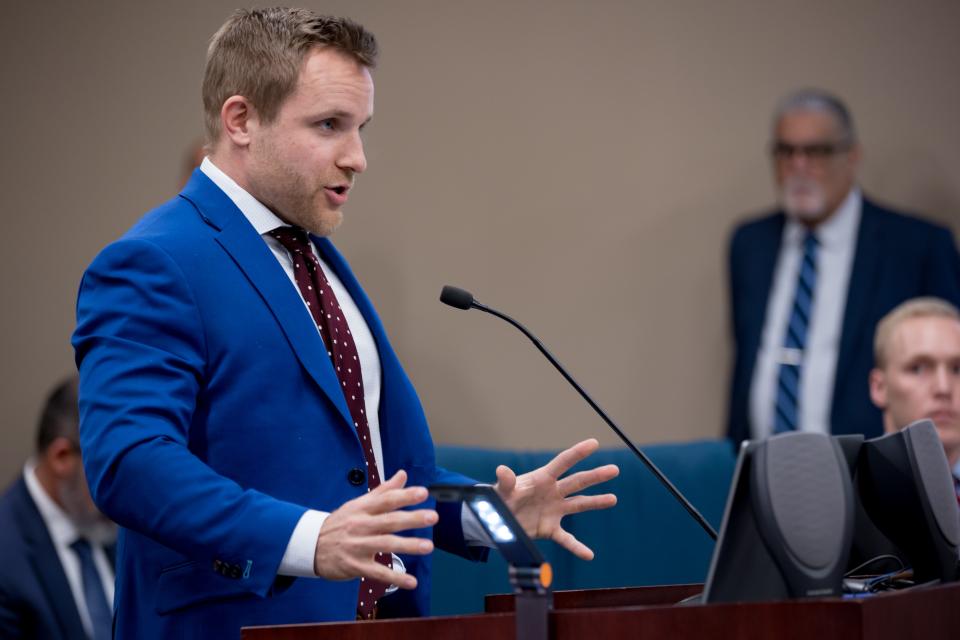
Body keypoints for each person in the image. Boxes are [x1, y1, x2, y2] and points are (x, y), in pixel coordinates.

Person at [72, 8, 618, 638]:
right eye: (329, 125)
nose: (357, 157)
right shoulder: (153, 261)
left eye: (360, 127)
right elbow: (130, 461)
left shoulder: (314, 257)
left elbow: (383, 478)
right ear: (241, 120)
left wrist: (494, 515)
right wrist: (309, 538)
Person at [726, 88, 960, 444]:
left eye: (816, 151)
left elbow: (948, 357)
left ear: (852, 155)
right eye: (786, 151)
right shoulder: (750, 243)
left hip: (871, 474)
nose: (798, 165)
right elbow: (746, 364)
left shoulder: (917, 246)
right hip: (761, 468)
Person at [0, 376, 117, 640]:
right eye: (110, 471)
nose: (122, 493)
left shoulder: (111, 527)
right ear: (61, 457)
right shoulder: (6, 555)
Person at [869, 297, 960, 497]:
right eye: (918, 368)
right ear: (879, 387)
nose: (943, 388)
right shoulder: (843, 496)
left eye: (957, 369)